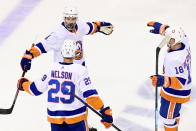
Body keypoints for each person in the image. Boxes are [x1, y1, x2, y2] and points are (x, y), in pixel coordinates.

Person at [17, 40, 113, 131]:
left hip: (55, 119)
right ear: (75, 53)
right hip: (76, 119)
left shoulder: (52, 68)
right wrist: (103, 110)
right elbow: (90, 95)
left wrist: (23, 83)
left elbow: (35, 90)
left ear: (62, 52)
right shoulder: (80, 70)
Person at [20, 7, 113, 71]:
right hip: (63, 71)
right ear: (64, 18)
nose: (70, 21)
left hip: (80, 69)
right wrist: (28, 56)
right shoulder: (58, 34)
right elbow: (41, 47)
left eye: (73, 19)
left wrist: (99, 26)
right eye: (68, 19)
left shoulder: (81, 25)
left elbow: (91, 27)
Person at [147, 21, 192, 131]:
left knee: (168, 118)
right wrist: (163, 28)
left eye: (171, 40)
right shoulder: (184, 42)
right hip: (174, 89)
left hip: (175, 93)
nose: (168, 41)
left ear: (177, 40)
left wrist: (163, 81)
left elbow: (180, 82)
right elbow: (176, 33)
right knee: (171, 115)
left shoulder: (176, 59)